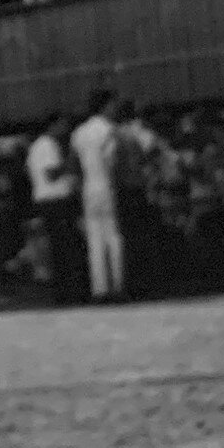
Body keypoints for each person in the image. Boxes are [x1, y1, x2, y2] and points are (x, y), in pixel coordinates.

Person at [72, 90, 125, 301]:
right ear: (106, 106)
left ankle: (99, 289)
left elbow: (75, 164)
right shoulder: (110, 130)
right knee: (113, 237)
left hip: (88, 187)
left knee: (94, 239)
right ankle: (117, 285)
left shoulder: (79, 132)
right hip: (106, 185)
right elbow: (113, 162)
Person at [25, 111, 83, 301]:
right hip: (54, 201)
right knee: (64, 247)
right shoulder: (47, 145)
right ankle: (68, 290)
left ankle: (65, 289)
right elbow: (51, 173)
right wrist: (71, 163)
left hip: (47, 201)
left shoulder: (38, 146)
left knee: (59, 247)